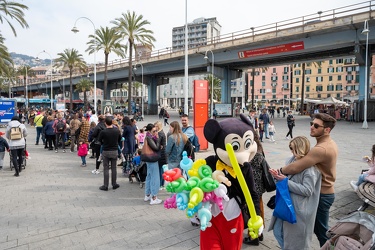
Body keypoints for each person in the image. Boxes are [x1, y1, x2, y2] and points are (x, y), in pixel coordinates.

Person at [279, 113, 337, 247]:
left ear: (327, 130)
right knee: (319, 229)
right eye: (311, 124)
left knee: (321, 231)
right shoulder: (329, 143)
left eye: (316, 126)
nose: (311, 127)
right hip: (326, 192)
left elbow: (296, 167)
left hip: (322, 194)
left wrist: (280, 171)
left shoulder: (321, 149)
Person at [269, 136, 322, 250]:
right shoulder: (291, 160)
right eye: (290, 148)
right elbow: (284, 178)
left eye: (293, 148)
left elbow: (307, 190)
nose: (291, 151)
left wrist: (285, 181)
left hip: (298, 209)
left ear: (300, 149)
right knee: (278, 231)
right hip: (286, 204)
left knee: (297, 242)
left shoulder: (311, 169)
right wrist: (276, 176)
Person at [243, 132, 268, 246]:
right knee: (259, 209)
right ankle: (260, 232)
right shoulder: (260, 150)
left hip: (251, 186)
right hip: (259, 186)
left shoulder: (250, 152)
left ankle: (253, 235)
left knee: (252, 211)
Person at [97, 116, 122, 191]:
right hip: (114, 150)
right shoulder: (117, 131)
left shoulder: (103, 132)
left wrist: (103, 143)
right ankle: (114, 184)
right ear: (112, 122)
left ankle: (105, 185)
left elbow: (99, 140)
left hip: (106, 150)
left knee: (106, 168)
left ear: (105, 123)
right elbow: (120, 139)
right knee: (114, 168)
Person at [142, 123, 163, 205]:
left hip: (148, 159)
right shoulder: (150, 138)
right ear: (150, 131)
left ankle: (147, 194)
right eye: (154, 131)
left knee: (149, 176)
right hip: (152, 159)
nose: (156, 132)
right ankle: (154, 197)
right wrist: (158, 140)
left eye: (156, 131)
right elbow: (156, 148)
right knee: (155, 177)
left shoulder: (148, 136)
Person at [154, 121, 167, 190]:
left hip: (161, 154)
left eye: (155, 126)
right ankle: (161, 184)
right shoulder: (162, 133)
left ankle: (160, 184)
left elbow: (157, 144)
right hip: (163, 153)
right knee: (161, 169)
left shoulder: (159, 134)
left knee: (160, 170)